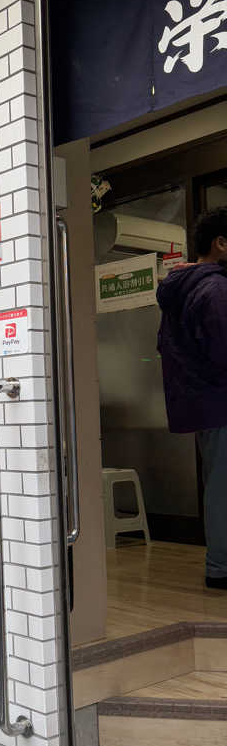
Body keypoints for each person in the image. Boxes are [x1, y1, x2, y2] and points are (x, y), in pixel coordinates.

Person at [157, 206, 227, 589]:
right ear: (220, 243)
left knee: (219, 482)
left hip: (204, 402)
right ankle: (221, 568)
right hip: (221, 401)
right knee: (223, 485)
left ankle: (221, 562)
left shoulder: (187, 288)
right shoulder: (214, 290)